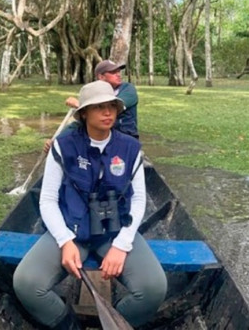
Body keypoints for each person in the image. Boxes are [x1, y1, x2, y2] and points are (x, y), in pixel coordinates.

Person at [14, 80, 167, 329]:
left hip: (116, 230)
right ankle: (70, 325)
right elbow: (48, 199)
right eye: (98, 107)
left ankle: (116, 322)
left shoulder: (130, 149)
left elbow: (139, 200)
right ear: (83, 113)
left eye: (112, 106)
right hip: (72, 230)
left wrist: (121, 244)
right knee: (27, 283)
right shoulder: (63, 147)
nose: (107, 112)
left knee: (153, 289)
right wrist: (64, 240)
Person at [66, 60, 138, 138]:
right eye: (113, 72)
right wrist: (57, 139)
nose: (118, 75)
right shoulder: (95, 91)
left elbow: (115, 107)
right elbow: (81, 121)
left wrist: (80, 105)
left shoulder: (128, 89)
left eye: (118, 72)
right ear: (101, 77)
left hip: (125, 136)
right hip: (101, 136)